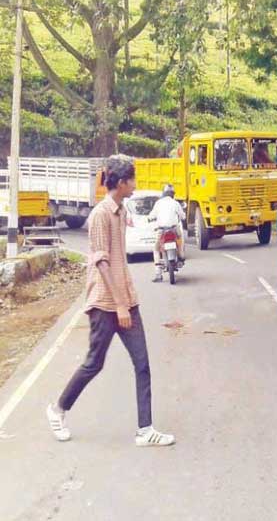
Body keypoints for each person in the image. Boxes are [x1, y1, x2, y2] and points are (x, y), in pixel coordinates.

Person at [46, 155, 175, 446]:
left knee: (142, 363)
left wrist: (125, 302)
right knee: (94, 363)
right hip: (105, 303)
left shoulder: (119, 209)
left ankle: (145, 430)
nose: (135, 184)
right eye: (132, 179)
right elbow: (101, 263)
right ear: (120, 182)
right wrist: (118, 305)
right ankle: (58, 410)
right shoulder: (100, 215)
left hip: (127, 299)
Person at [148, 183, 186, 283]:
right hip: (174, 229)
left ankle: (158, 274)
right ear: (172, 194)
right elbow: (182, 216)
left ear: (163, 193)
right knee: (180, 241)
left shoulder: (158, 203)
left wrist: (149, 218)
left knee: (156, 249)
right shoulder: (175, 203)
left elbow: (151, 215)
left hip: (161, 230)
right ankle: (181, 257)